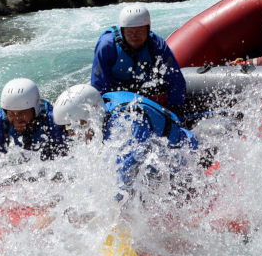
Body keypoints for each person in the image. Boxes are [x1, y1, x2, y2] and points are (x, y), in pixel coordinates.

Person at [52, 84, 200, 197]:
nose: (74, 134)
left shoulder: (127, 121)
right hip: (156, 162)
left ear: (92, 113)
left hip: (183, 157)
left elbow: (124, 173)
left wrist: (90, 209)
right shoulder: (103, 111)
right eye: (69, 129)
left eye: (77, 126)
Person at [91, 4, 186, 111]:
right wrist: (107, 111)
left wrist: (174, 108)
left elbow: (175, 79)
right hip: (116, 92)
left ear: (148, 30)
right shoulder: (107, 46)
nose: (135, 36)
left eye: (140, 31)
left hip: (143, 88)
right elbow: (98, 85)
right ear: (122, 31)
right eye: (130, 32)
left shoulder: (157, 45)